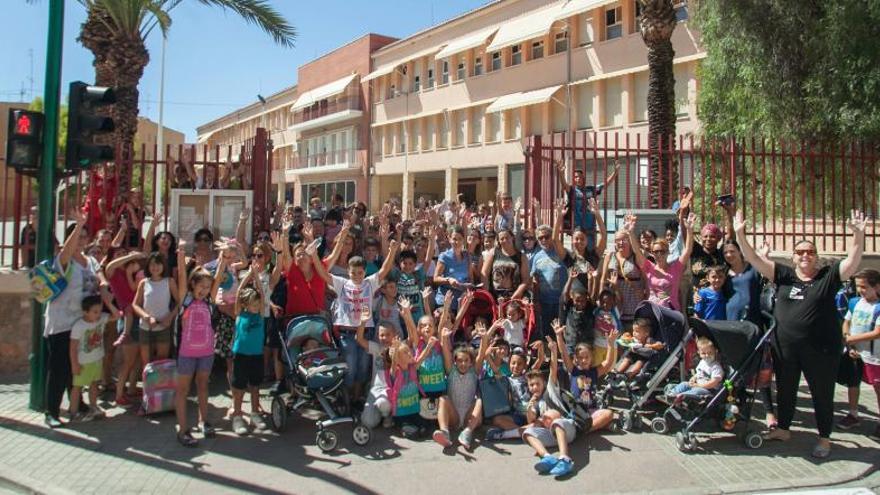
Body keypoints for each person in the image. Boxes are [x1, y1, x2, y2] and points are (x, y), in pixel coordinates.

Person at [733, 209, 867, 458]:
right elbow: (752, 258)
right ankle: (783, 429)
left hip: (821, 350)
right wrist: (740, 234)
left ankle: (824, 438)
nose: (805, 255)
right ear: (793, 257)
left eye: (810, 252)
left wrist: (858, 236)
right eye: (800, 252)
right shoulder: (784, 275)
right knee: (785, 390)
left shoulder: (828, 276)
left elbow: (852, 262)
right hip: (786, 348)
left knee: (822, 394)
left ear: (816, 257)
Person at [309, 221, 399, 402]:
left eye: (360, 273)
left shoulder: (369, 282)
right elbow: (323, 274)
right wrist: (313, 256)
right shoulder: (342, 283)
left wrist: (392, 251)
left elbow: (384, 270)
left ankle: (357, 399)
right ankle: (347, 399)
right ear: (348, 272)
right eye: (353, 273)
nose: (356, 276)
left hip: (366, 332)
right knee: (350, 368)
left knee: (363, 367)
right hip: (347, 334)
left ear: (364, 272)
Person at [44, 211, 102, 428]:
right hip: (61, 323)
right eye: (77, 236)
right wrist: (78, 225)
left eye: (84, 236)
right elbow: (67, 252)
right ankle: (51, 411)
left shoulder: (91, 262)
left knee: (77, 368)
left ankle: (76, 404)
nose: (81, 240)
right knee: (59, 369)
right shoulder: (63, 261)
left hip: (82, 323)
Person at [174, 240, 222, 446]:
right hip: (186, 352)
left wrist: (224, 260)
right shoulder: (185, 299)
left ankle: (204, 420)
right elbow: (182, 276)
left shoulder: (209, 302)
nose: (204, 290)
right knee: (183, 391)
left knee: (203, 385)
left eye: (207, 287)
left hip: (206, 352)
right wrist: (181, 252)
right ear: (193, 285)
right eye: (201, 286)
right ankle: (183, 428)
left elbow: (218, 278)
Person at [521, 339, 577, 479]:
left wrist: (553, 351)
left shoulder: (550, 390)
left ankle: (565, 459)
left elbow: (553, 369)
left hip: (566, 428)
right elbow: (531, 421)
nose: (534, 387)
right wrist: (529, 408)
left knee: (556, 422)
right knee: (527, 432)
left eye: (537, 384)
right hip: (551, 435)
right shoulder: (535, 401)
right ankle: (547, 457)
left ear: (544, 383)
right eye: (531, 385)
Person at [622, 212, 696, 311]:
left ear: (668, 252)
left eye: (662, 251)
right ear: (652, 253)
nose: (659, 254)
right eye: (656, 251)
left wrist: (690, 231)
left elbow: (687, 250)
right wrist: (631, 232)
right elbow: (637, 251)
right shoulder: (649, 267)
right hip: (653, 311)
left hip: (672, 312)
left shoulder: (676, 267)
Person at [839, 269, 880, 439]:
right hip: (855, 352)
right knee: (853, 383)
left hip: (874, 356)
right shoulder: (855, 302)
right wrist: (848, 338)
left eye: (864, 287)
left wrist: (852, 339)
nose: (860, 290)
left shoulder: (878, 307)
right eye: (858, 286)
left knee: (878, 388)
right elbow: (846, 322)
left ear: (877, 286)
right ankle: (853, 414)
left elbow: (877, 332)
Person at [69, 295, 121, 422]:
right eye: (95, 312)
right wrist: (74, 364)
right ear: (85, 312)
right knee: (77, 387)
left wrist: (109, 303)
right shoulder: (79, 326)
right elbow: (73, 347)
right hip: (83, 362)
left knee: (94, 384)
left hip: (97, 359)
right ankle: (73, 412)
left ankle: (93, 406)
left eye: (99, 311)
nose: (98, 314)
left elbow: (117, 315)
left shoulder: (101, 319)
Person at [230, 271, 268, 435]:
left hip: (256, 355)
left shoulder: (260, 315)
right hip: (241, 355)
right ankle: (237, 416)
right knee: (239, 387)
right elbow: (239, 293)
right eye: (253, 303)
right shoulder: (240, 313)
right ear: (245, 304)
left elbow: (261, 293)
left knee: (255, 385)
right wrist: (249, 275)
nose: (257, 306)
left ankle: (255, 414)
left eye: (258, 303)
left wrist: (256, 277)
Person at [433, 327, 483, 450]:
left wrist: (485, 338)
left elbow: (481, 354)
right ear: (455, 362)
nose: (463, 364)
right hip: (453, 416)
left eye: (466, 361)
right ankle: (445, 433)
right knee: (443, 399)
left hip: (469, 417)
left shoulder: (474, 372)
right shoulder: (451, 371)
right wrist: (444, 338)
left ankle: (467, 432)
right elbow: (446, 352)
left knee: (479, 401)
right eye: (460, 361)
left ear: (471, 362)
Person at [557, 160, 620, 252]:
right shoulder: (572, 190)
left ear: (583, 178)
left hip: (590, 227)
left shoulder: (591, 189)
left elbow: (605, 184)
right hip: (577, 227)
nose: (577, 179)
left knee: (590, 252)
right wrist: (561, 173)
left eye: (579, 177)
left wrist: (615, 172)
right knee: (577, 253)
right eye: (575, 177)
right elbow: (564, 184)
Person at [530, 200, 570, 339]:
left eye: (547, 237)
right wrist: (536, 301)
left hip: (561, 302)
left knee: (562, 335)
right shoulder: (536, 257)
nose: (544, 240)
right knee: (547, 335)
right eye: (540, 238)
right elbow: (534, 279)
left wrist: (559, 215)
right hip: (545, 303)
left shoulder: (560, 252)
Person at [132, 252, 180, 364]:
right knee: (146, 362)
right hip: (145, 327)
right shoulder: (144, 283)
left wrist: (170, 318)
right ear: (148, 266)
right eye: (152, 264)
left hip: (163, 326)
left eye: (159, 264)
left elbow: (179, 302)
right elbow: (135, 304)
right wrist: (146, 316)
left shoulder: (170, 281)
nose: (155, 267)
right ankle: (147, 382)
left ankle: (160, 383)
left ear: (164, 266)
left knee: (162, 362)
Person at [357, 315, 399, 429]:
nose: (384, 338)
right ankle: (379, 414)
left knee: (383, 403)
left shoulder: (399, 349)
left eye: (388, 335)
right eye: (381, 335)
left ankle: (387, 415)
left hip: (391, 391)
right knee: (367, 422)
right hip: (375, 391)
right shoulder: (376, 348)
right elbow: (359, 339)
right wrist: (363, 322)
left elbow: (411, 340)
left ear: (394, 335)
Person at [666, 337, 723, 403]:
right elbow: (699, 373)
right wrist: (694, 378)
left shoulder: (716, 367)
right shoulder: (702, 362)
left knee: (697, 391)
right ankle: (672, 394)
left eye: (710, 353)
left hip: (709, 390)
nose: (707, 355)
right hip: (698, 384)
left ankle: (681, 397)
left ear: (715, 351)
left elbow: (714, 382)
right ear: (699, 353)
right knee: (684, 384)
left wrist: (699, 385)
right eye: (704, 353)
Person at [481, 228, 530, 302]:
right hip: (495, 296)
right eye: (502, 239)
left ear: (512, 237)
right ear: (498, 241)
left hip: (515, 296)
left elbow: (525, 279)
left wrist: (518, 292)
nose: (505, 240)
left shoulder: (521, 256)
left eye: (507, 237)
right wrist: (487, 291)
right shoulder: (493, 253)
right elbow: (484, 273)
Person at [434, 225, 475, 311]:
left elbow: (470, 277)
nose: (457, 242)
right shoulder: (444, 256)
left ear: (463, 239)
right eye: (454, 239)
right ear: (449, 238)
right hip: (445, 300)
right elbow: (436, 278)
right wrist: (448, 280)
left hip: (463, 300)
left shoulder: (467, 256)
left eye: (460, 239)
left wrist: (469, 287)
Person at [723, 240, 763, 324]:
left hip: (752, 317)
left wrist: (764, 256)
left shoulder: (753, 268)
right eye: (725, 253)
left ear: (740, 251)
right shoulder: (723, 273)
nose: (728, 255)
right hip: (732, 317)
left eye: (732, 251)